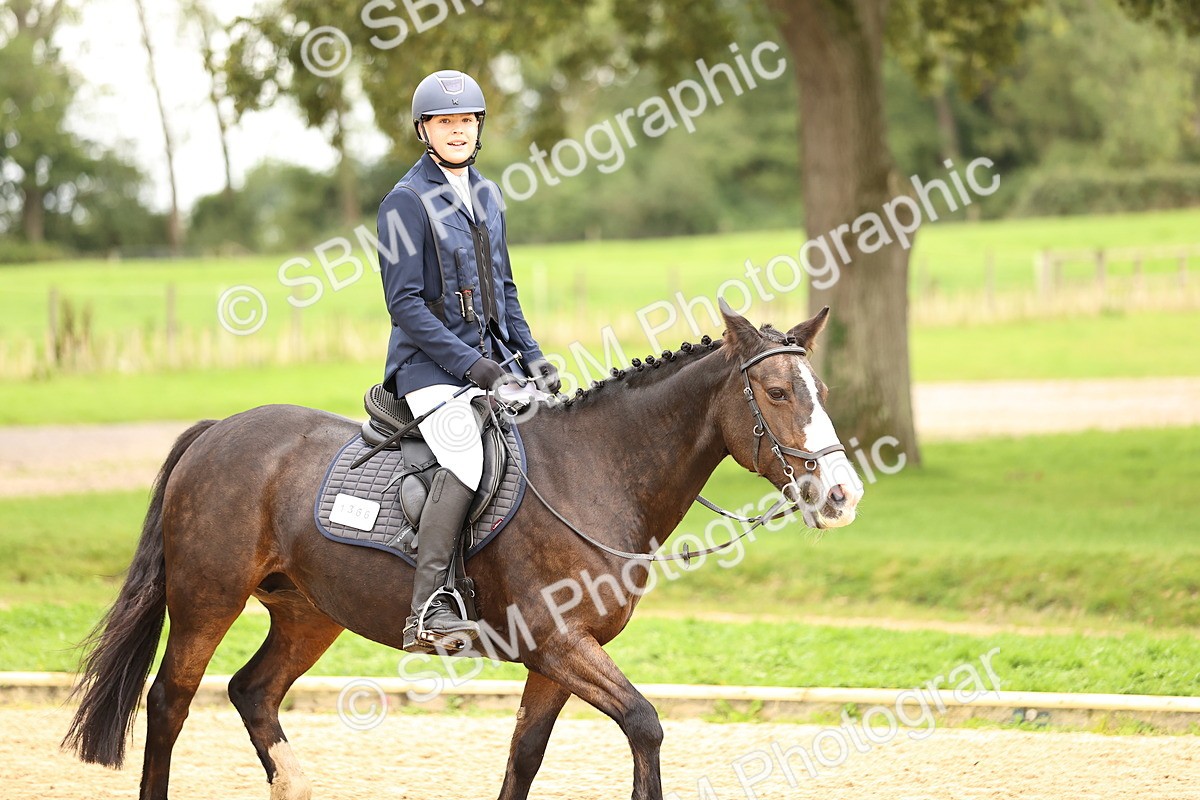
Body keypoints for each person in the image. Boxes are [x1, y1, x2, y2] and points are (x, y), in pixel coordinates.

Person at [376, 69, 560, 653]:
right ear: (424, 130)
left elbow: (503, 289)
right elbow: (405, 305)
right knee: (465, 454)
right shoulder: (404, 203)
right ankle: (428, 607)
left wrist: (533, 359)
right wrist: (474, 369)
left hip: (494, 363)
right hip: (428, 371)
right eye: (444, 122)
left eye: (466, 121)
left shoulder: (487, 194)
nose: (457, 131)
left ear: (478, 128)